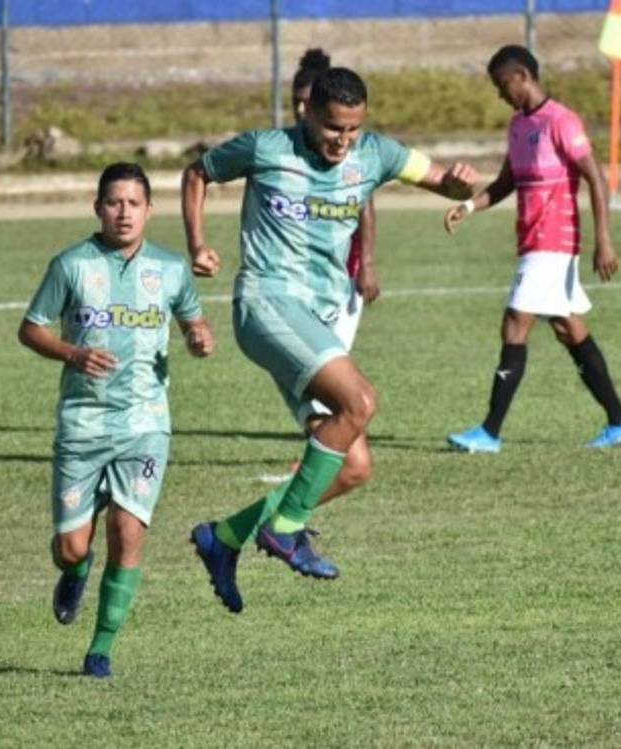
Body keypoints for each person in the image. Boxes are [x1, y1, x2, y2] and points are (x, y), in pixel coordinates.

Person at [182, 66, 478, 613]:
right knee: (361, 400)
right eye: (333, 128)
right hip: (267, 305)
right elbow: (197, 174)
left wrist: (460, 183)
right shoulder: (267, 148)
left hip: (317, 322)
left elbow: (442, 179)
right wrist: (197, 243)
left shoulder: (376, 155)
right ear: (308, 113)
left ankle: (223, 538)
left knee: (353, 465)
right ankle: (286, 528)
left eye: (353, 131)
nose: (343, 141)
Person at [18, 162, 214, 677]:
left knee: (128, 534)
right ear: (98, 207)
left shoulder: (171, 269)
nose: (123, 213)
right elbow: (31, 329)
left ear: (150, 210)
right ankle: (75, 570)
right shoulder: (71, 265)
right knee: (70, 547)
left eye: (134, 203)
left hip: (145, 425)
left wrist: (199, 338)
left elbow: (195, 322)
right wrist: (72, 353)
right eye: (114, 202)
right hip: (83, 424)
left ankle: (100, 649)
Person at [444, 45, 621, 453]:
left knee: (515, 324)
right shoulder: (517, 126)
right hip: (531, 241)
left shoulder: (561, 122)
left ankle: (489, 433)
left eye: (502, 85)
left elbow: (596, 179)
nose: (500, 95)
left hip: (554, 242)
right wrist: (467, 206)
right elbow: (504, 184)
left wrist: (604, 239)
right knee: (569, 329)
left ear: (522, 77)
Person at [288, 48, 379, 504]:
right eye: (296, 103)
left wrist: (370, 265)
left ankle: (321, 453)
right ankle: (321, 454)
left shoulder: (350, 153)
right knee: (320, 376)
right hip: (293, 292)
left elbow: (365, 203)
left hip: (341, 282)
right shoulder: (285, 152)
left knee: (331, 375)